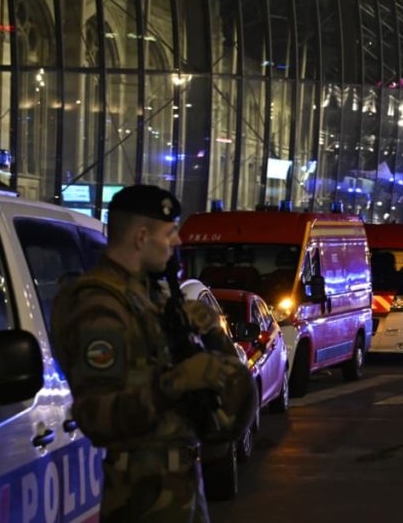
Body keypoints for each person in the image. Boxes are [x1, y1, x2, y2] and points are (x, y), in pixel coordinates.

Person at [51, 185, 253, 523]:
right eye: (170, 232)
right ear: (141, 237)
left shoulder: (151, 299)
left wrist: (211, 333)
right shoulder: (98, 306)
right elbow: (97, 418)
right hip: (140, 496)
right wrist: (176, 383)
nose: (176, 242)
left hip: (181, 484)